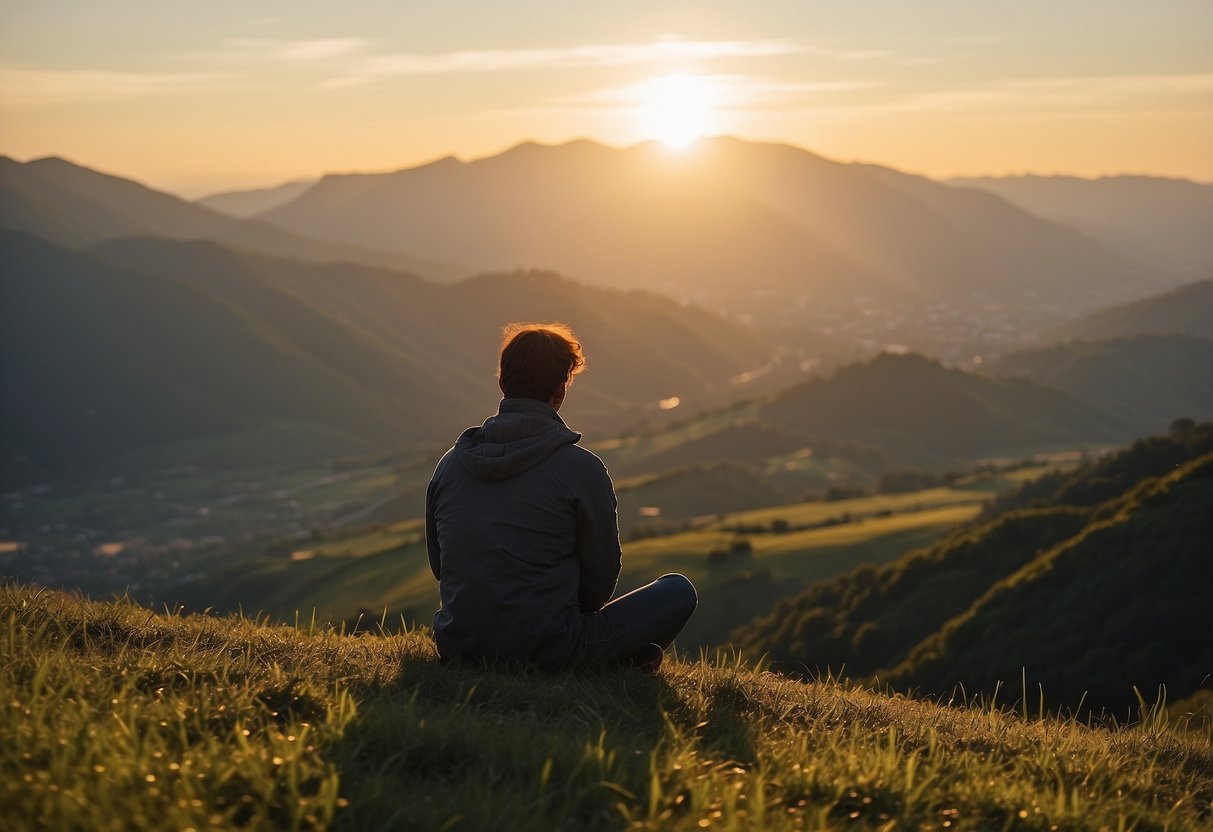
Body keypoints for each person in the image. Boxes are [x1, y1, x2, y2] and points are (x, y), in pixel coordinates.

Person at [425, 322, 697, 671]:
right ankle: (616, 667)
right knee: (678, 591)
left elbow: (440, 565)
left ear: (502, 383)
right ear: (561, 389)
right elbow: (598, 588)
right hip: (550, 651)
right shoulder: (582, 470)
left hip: (459, 646)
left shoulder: (450, 465)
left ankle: (621, 665)